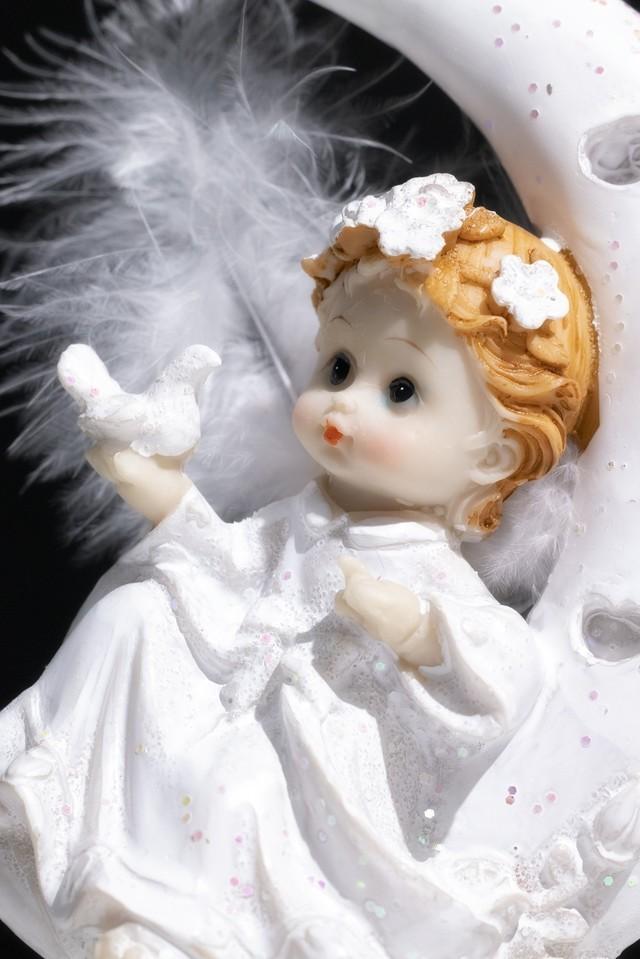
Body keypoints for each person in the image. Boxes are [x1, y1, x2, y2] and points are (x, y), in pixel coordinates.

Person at [0, 174, 597, 959]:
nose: (345, 403)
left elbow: (506, 670)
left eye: (402, 388)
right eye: (339, 366)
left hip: (313, 750)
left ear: (493, 455)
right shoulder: (302, 516)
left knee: (235, 785)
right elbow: (230, 563)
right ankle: (43, 800)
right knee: (133, 614)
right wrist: (161, 491)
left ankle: (173, 925)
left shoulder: (430, 571)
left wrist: (419, 632)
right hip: (232, 683)